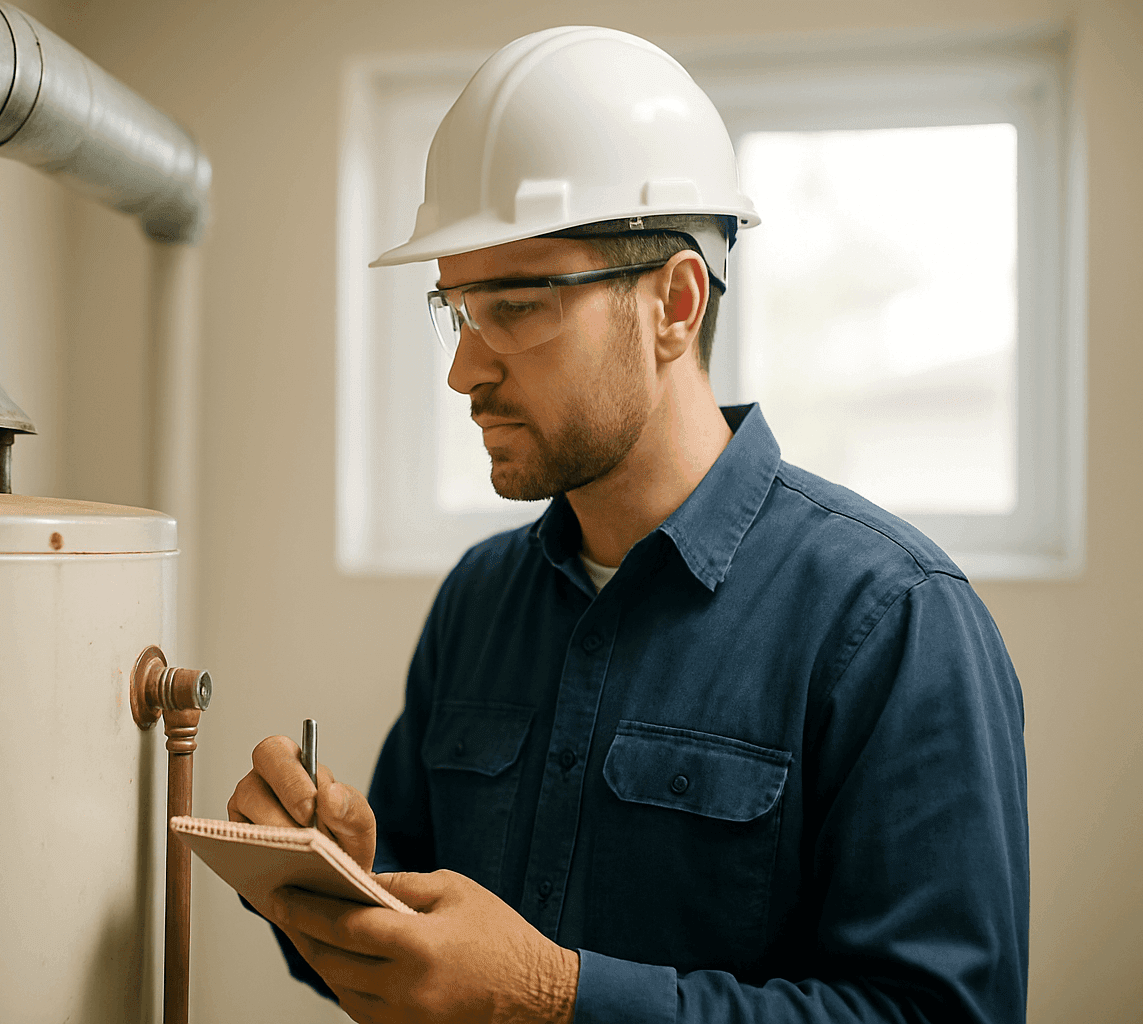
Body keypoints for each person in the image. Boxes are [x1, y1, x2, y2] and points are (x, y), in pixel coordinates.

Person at [228, 26, 1028, 1024]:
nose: (463, 371)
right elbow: (429, 959)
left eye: (514, 306)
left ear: (675, 305)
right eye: (456, 310)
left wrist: (554, 997)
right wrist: (337, 879)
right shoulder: (480, 601)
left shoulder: (894, 623)